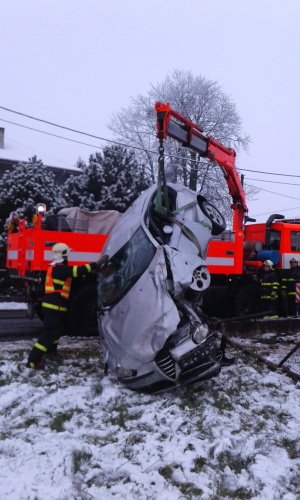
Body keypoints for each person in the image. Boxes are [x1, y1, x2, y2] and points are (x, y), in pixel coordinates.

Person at [26, 243, 108, 369]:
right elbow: (78, 271)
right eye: (67, 254)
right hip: (53, 307)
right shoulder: (60, 269)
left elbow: (73, 276)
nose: (68, 257)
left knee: (57, 330)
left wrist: (91, 273)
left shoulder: (58, 268)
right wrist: (97, 263)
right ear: (63, 255)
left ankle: (51, 352)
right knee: (49, 333)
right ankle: (33, 361)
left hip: (55, 307)